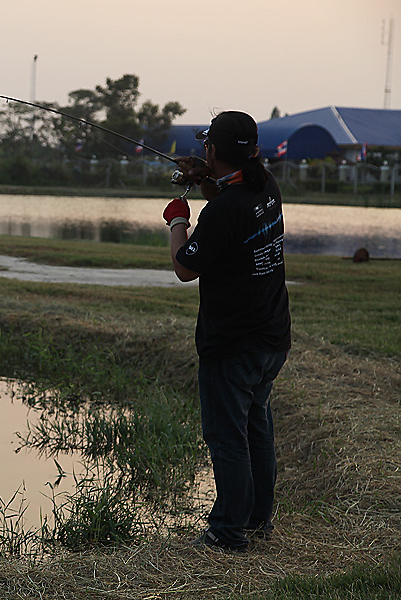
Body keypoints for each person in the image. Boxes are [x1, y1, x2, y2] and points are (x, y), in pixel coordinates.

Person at [164, 111, 292, 552]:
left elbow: (185, 267)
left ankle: (226, 531)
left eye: (206, 148)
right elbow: (230, 201)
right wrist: (205, 179)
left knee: (226, 436)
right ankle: (257, 521)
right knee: (256, 427)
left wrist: (178, 219)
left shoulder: (223, 210)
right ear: (254, 150)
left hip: (233, 345)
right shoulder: (265, 188)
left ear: (212, 149)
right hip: (272, 337)